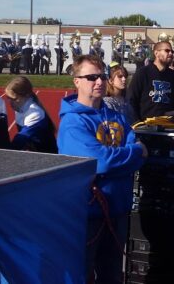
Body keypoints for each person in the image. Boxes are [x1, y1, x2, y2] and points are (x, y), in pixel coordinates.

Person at [57, 54, 147, 284]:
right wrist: (133, 155)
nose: (99, 82)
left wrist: (123, 157)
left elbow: (130, 141)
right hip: (87, 214)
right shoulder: (73, 122)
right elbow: (100, 162)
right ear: (76, 81)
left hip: (118, 209)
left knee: (113, 274)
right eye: (91, 77)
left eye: (102, 76)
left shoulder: (114, 114)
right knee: (82, 274)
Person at [127, 41, 174, 122]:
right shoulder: (142, 73)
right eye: (167, 51)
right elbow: (131, 100)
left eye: (172, 51)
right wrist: (137, 123)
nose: (171, 53)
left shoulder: (173, 75)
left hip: (168, 126)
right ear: (156, 53)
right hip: (147, 127)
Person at [4, 76, 57, 153]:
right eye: (9, 98)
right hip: (34, 151)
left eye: (14, 99)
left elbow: (20, 140)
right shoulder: (19, 107)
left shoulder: (35, 114)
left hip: (47, 154)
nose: (11, 103)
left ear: (27, 95)